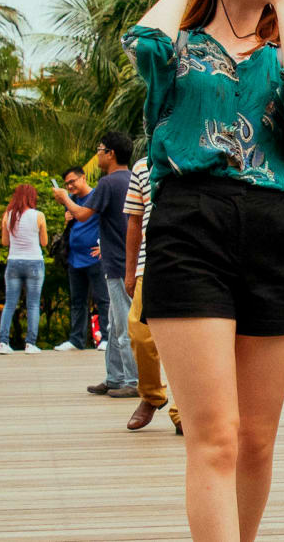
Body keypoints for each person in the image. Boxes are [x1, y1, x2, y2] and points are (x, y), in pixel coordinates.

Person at [122, 0, 284, 541]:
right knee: (215, 437)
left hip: (273, 227)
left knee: (257, 439)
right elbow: (143, 44)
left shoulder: (279, 57)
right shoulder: (180, 48)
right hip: (190, 222)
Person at [53, 132, 138, 398]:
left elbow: (81, 214)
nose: (98, 154)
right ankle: (115, 377)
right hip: (125, 259)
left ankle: (133, 380)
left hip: (117, 263)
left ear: (110, 154)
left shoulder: (107, 182)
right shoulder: (131, 178)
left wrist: (64, 199)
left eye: (100, 149)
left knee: (123, 325)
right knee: (113, 324)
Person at [123, 155, 181, 432]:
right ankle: (152, 394)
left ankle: (184, 410)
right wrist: (130, 270)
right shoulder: (141, 167)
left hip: (194, 261)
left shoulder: (203, 157)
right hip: (150, 262)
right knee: (139, 332)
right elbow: (134, 221)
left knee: (190, 339)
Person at [53, 166, 110, 352]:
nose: (70, 186)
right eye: (67, 184)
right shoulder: (72, 200)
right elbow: (73, 224)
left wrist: (104, 245)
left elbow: (110, 221)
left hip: (95, 257)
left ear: (83, 178)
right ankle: (76, 339)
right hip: (74, 258)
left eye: (72, 181)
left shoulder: (96, 196)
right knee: (77, 301)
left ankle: (107, 338)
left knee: (102, 299)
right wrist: (67, 217)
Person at [0, 184, 48, 353]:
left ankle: (3, 343)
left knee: (9, 303)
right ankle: (30, 344)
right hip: (34, 262)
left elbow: (5, 242)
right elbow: (44, 242)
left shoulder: (8, 215)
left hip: (13, 261)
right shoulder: (38, 215)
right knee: (33, 304)